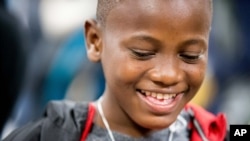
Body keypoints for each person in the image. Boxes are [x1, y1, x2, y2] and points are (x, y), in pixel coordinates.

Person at [3, 0, 229, 141]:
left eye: (190, 56)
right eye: (143, 53)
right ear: (95, 41)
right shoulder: (44, 136)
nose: (169, 74)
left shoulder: (219, 133)